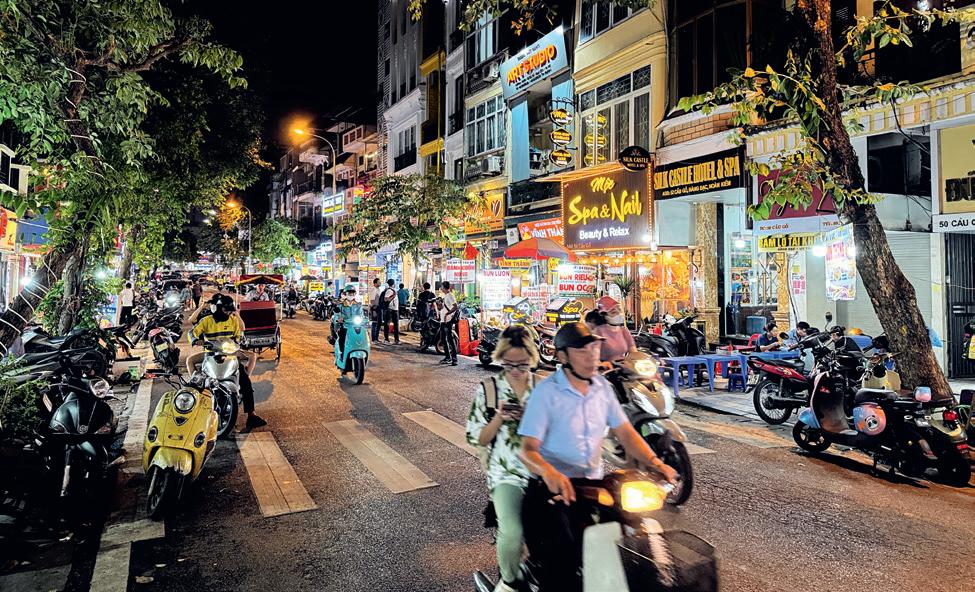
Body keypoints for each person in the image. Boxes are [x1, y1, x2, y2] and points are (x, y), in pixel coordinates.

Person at [517, 322, 677, 592]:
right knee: (563, 560)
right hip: (551, 489)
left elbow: (625, 432)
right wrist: (550, 473)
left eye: (594, 348)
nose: (592, 355)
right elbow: (527, 449)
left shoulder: (602, 388)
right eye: (582, 351)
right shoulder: (546, 393)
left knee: (631, 540)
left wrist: (657, 463)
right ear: (563, 356)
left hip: (592, 486)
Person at [466, 326, 539, 592]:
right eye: (509, 365)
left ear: (532, 358)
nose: (516, 371)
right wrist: (499, 418)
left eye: (522, 364)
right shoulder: (489, 390)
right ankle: (509, 583)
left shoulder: (543, 388)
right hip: (507, 473)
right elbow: (478, 438)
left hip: (544, 470)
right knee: (512, 530)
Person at [187, 294, 266, 429]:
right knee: (197, 382)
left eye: (230, 311)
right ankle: (190, 408)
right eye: (225, 310)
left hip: (230, 355)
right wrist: (195, 340)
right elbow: (192, 333)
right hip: (211, 355)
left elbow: (239, 334)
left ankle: (251, 415)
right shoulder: (207, 321)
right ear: (218, 308)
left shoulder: (233, 320)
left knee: (246, 382)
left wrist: (238, 342)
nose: (228, 313)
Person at [591, 297, 637, 363]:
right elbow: (595, 356)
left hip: (623, 365)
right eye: (613, 312)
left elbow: (633, 352)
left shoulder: (624, 330)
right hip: (606, 367)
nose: (618, 314)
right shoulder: (598, 331)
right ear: (604, 316)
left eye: (619, 310)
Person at [332, 286, 364, 373]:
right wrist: (338, 319)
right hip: (345, 327)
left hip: (356, 326)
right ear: (345, 294)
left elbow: (361, 315)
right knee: (342, 339)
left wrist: (364, 320)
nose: (351, 295)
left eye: (352, 293)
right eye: (349, 293)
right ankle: (342, 354)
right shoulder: (340, 305)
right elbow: (336, 315)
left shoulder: (358, 305)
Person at [439, 281, 459, 366]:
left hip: (448, 321)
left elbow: (455, 306)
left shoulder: (450, 295)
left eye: (442, 287)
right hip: (443, 321)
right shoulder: (445, 296)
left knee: (450, 339)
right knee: (443, 338)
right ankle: (448, 357)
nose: (441, 289)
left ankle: (454, 359)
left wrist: (447, 314)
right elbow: (443, 307)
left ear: (444, 287)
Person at [379, 279, 400, 344]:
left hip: (395, 309)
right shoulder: (389, 291)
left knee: (396, 325)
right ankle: (386, 339)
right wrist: (393, 297)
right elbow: (385, 299)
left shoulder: (393, 290)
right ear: (393, 284)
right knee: (387, 324)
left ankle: (396, 340)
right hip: (390, 309)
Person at [369, 278, 382, 342]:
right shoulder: (373, 290)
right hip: (375, 308)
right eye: (379, 282)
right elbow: (372, 301)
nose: (380, 283)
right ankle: (374, 339)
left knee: (378, 323)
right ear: (375, 283)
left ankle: (376, 338)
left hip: (378, 308)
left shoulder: (378, 289)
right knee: (374, 323)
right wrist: (374, 310)